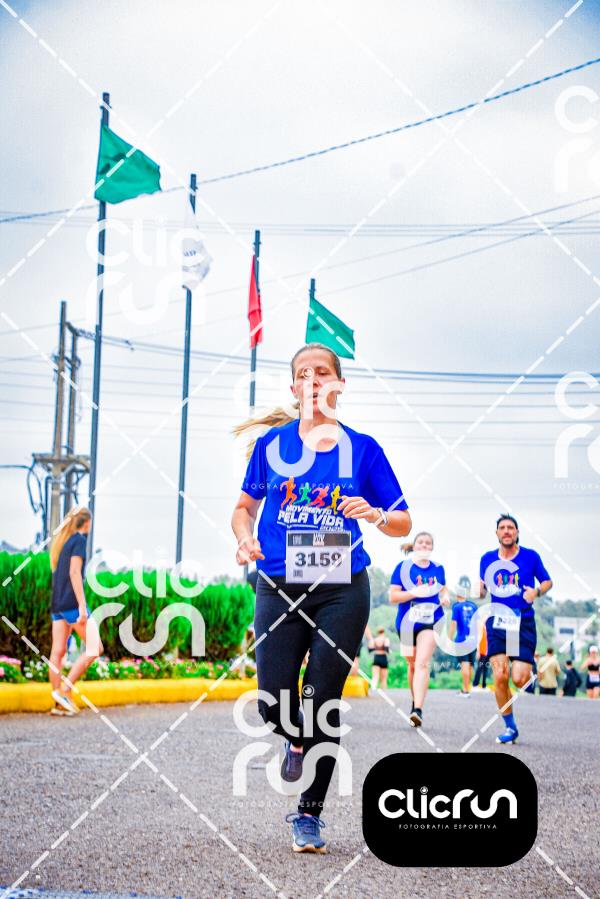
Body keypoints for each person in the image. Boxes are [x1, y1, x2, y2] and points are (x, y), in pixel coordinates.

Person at [231, 342, 411, 854]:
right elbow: (243, 508)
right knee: (274, 704)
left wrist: (374, 514)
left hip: (342, 589)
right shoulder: (272, 446)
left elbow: (403, 520)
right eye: (304, 374)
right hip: (278, 583)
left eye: (323, 372)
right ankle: (293, 737)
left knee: (322, 701)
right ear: (293, 387)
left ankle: (308, 814)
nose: (313, 380)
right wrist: (244, 538)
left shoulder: (364, 450)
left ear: (338, 385)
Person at [479, 514, 552, 743]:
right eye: (502, 528)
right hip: (497, 622)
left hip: (523, 622)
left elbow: (547, 581)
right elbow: (483, 587)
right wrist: (478, 591)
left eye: (511, 527)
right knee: (500, 676)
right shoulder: (487, 559)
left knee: (520, 679)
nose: (507, 531)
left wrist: (536, 592)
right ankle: (510, 727)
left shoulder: (530, 556)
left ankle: (528, 672)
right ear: (497, 533)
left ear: (517, 532)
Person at [389, 531, 450, 728]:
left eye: (428, 543)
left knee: (422, 663)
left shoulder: (438, 569)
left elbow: (443, 588)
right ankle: (415, 701)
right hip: (407, 623)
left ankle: (418, 709)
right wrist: (414, 592)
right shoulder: (403, 567)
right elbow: (393, 597)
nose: (424, 545)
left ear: (432, 547)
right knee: (413, 665)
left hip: (431, 620)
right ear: (414, 546)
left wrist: (445, 597)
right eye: (421, 542)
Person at [48, 507, 103, 716]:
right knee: (95, 648)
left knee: (58, 651)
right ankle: (65, 690)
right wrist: (82, 606)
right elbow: (74, 572)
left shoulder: (63, 542)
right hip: (72, 604)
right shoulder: (79, 540)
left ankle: (58, 702)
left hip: (58, 604)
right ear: (87, 523)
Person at [449, 587, 478, 696]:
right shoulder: (473, 606)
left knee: (464, 664)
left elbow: (453, 624)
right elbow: (477, 623)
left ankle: (465, 690)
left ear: (457, 596)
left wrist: (450, 638)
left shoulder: (456, 607)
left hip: (461, 639)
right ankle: (467, 688)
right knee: (470, 665)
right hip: (473, 640)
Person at [368, 626, 391, 690]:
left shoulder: (374, 640)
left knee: (375, 676)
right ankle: (384, 690)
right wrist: (389, 652)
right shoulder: (386, 639)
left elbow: (370, 649)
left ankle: (373, 689)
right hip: (383, 658)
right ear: (383, 632)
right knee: (384, 678)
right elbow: (387, 649)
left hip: (376, 658)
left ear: (377, 632)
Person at [472, 625, 489, 690]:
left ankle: (484, 686)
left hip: (487, 652)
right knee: (479, 668)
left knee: (486, 669)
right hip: (482, 652)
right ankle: (475, 685)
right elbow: (478, 640)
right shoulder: (481, 628)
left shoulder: (489, 629)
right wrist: (478, 651)